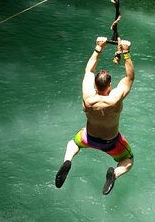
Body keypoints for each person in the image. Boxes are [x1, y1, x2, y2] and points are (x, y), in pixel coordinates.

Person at [55, 36, 135, 195]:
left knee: (74, 143)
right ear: (110, 85)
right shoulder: (115, 98)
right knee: (128, 161)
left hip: (88, 137)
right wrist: (125, 52)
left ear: (95, 85)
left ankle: (67, 160)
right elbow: (129, 77)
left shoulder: (88, 97)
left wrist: (98, 47)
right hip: (111, 143)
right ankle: (114, 174)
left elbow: (89, 70)